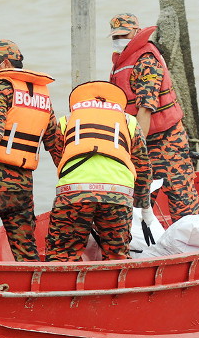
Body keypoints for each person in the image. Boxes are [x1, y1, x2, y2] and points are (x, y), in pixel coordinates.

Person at [0, 40, 64, 261]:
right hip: (23, 184)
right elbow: (55, 141)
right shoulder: (41, 95)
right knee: (26, 252)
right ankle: (30, 292)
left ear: (5, 62)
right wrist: (67, 180)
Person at [44, 81, 153, 261]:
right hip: (118, 194)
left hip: (73, 193)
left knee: (61, 255)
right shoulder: (129, 121)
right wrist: (142, 204)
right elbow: (142, 167)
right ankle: (115, 287)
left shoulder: (67, 120)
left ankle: (61, 286)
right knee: (116, 255)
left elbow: (60, 159)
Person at [108, 13, 199, 221]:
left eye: (123, 35)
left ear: (137, 32)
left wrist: (134, 149)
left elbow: (145, 109)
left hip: (167, 140)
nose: (118, 40)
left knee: (180, 195)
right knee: (139, 198)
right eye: (114, 37)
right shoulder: (122, 61)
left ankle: (190, 242)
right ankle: (141, 244)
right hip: (142, 139)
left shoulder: (146, 61)